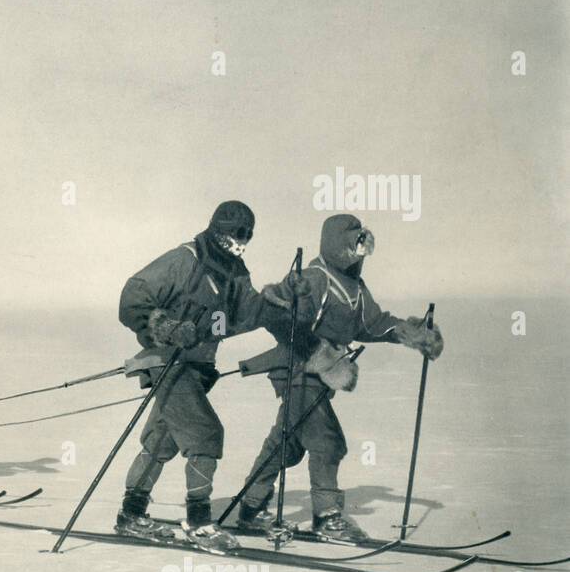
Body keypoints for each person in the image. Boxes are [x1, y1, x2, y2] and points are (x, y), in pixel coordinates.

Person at [235, 213, 443, 541]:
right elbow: (278, 317)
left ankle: (250, 508)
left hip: (318, 378)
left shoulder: (354, 286)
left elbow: (370, 324)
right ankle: (327, 517)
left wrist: (409, 332)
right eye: (355, 243)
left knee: (285, 445)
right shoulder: (316, 277)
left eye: (364, 243)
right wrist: (321, 354)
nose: (360, 250)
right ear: (338, 244)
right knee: (327, 442)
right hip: (299, 369)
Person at [116, 200, 290, 552]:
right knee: (204, 432)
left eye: (248, 235)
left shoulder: (234, 272)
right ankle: (199, 522)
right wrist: (164, 326)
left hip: (196, 367)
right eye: (236, 232)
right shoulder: (185, 259)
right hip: (166, 361)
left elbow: (245, 313)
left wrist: (283, 298)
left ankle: (132, 514)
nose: (242, 240)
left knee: (162, 441)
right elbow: (132, 295)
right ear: (218, 228)